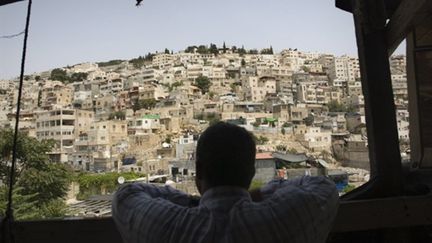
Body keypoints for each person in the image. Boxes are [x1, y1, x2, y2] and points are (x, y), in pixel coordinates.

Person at [112, 122, 339, 243]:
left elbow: (126, 194)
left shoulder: (170, 226)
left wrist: (193, 202)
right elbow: (322, 186)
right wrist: (259, 194)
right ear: (251, 172)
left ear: (198, 171)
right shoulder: (279, 220)